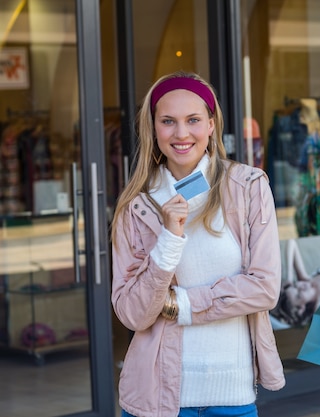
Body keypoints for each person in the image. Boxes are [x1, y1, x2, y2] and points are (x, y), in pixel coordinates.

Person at [110, 71, 285, 417]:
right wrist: (169, 240)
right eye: (168, 121)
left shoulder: (248, 187)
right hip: (157, 400)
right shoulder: (138, 206)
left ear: (211, 124)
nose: (181, 133)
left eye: (192, 120)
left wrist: (182, 305)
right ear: (153, 128)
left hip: (231, 397)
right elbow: (132, 313)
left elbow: (265, 288)